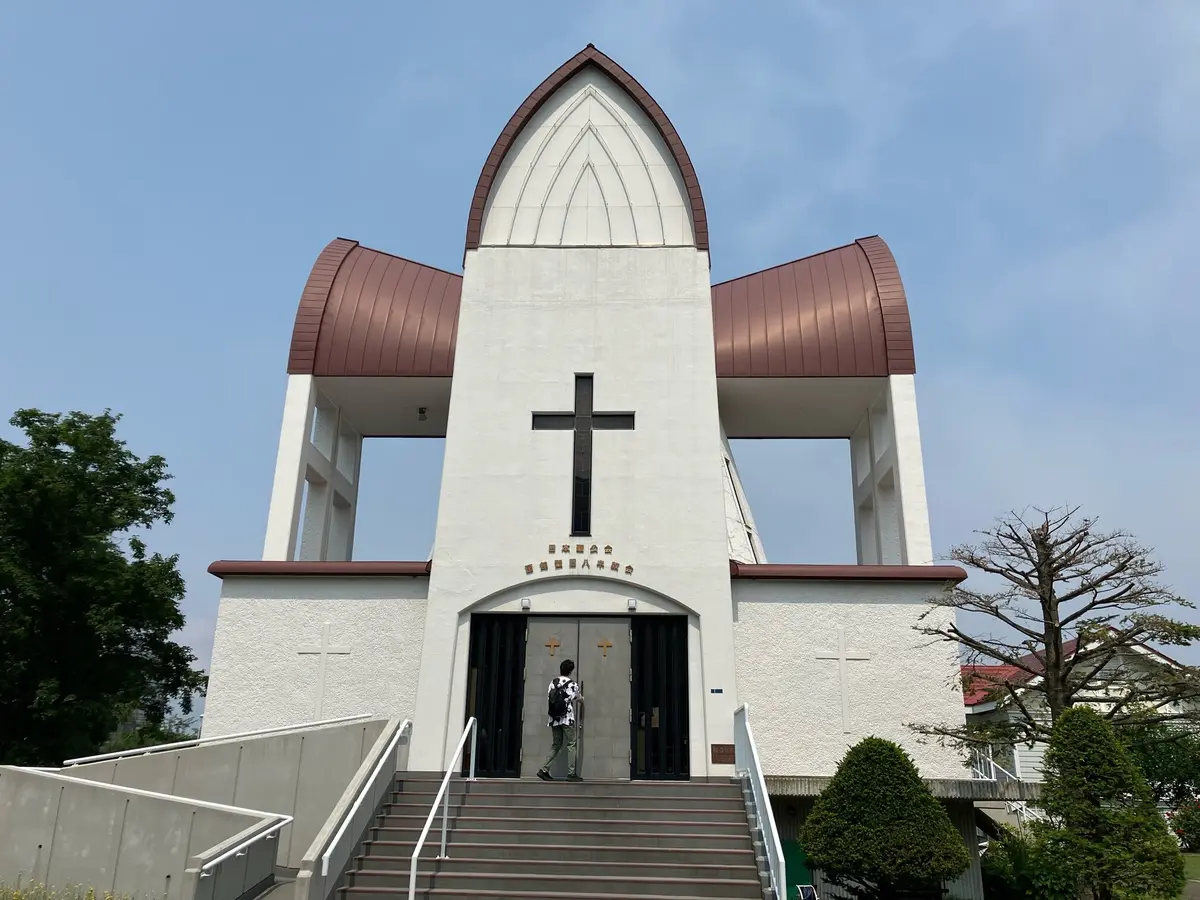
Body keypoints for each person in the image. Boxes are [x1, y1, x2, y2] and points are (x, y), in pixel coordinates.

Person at [537, 658, 582, 782]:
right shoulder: (573, 684)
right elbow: (578, 697)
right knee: (571, 744)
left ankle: (544, 770)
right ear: (571, 671)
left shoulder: (552, 683)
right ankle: (571, 773)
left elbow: (550, 697)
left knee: (556, 744)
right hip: (567, 719)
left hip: (554, 718)